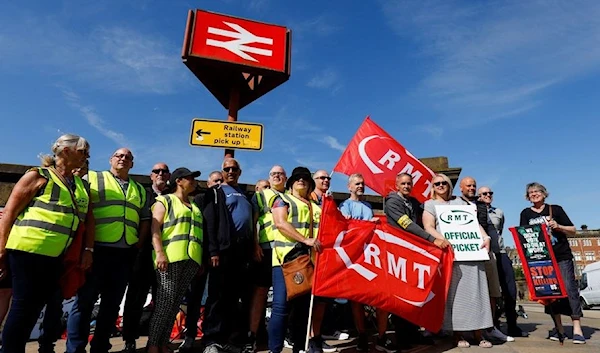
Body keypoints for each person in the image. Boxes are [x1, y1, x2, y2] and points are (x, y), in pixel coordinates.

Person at [0, 134, 92, 353]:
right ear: (65, 151)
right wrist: (1, 250)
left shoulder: (79, 184)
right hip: (27, 252)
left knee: (33, 311)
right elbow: (10, 213)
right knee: (22, 309)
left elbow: (86, 219)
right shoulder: (37, 175)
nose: (87, 156)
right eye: (82, 152)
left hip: (56, 257)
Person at [67, 148, 150, 353]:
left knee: (111, 306)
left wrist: (137, 244)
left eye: (128, 157)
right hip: (96, 250)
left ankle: (100, 346)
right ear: (111, 159)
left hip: (124, 254)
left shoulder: (139, 189)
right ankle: (75, 348)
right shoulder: (93, 177)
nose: (123, 158)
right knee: (84, 302)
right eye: (119, 155)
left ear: (132, 164)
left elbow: (145, 219)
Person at [422, 174, 493, 348]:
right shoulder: (430, 204)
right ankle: (458, 334)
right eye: (436, 183)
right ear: (433, 187)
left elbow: (474, 223)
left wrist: (486, 236)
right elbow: (428, 226)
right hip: (450, 255)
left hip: (471, 253)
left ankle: (479, 333)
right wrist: (442, 239)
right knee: (457, 295)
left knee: (478, 292)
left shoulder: (461, 203)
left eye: (444, 182)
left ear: (449, 185)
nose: (440, 185)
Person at [384, 173, 449, 349]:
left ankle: (414, 334)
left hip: (412, 254)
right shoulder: (392, 202)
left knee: (414, 295)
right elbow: (408, 225)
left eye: (409, 183)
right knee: (401, 298)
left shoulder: (413, 203)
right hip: (397, 254)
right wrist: (431, 238)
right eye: (403, 183)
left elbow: (428, 215)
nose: (406, 186)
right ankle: (403, 338)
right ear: (396, 185)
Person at [519, 182, 584, 344]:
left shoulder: (555, 209)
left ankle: (577, 327)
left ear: (544, 193)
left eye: (537, 191)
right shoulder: (526, 213)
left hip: (561, 255)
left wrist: (558, 226)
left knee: (569, 289)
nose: (534, 194)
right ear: (527, 197)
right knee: (550, 293)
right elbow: (523, 235)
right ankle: (559, 328)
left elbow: (573, 230)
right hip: (541, 259)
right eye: (531, 192)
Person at [148, 168, 204, 353]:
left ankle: (163, 343)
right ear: (179, 181)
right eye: (190, 178)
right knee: (165, 302)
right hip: (170, 258)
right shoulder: (165, 200)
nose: (194, 182)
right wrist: (160, 253)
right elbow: (155, 229)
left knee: (174, 304)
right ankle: (153, 344)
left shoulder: (194, 206)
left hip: (190, 260)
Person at [339, 173, 396, 353]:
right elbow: (347, 228)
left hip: (371, 257)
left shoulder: (368, 206)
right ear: (349, 187)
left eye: (362, 183)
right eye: (357, 184)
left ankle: (381, 335)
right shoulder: (345, 205)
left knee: (381, 298)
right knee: (357, 301)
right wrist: (367, 223)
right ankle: (362, 335)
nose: (360, 186)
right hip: (355, 258)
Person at [202, 159, 253, 353]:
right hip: (223, 250)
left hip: (242, 251)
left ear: (240, 172)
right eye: (227, 169)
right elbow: (210, 223)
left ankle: (228, 339)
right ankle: (211, 341)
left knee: (233, 298)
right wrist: (213, 251)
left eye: (234, 169)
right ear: (222, 172)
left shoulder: (244, 193)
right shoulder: (215, 192)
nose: (231, 171)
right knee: (216, 296)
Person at [268, 167, 322, 353]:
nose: (301, 180)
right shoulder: (281, 199)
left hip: (310, 263)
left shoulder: (317, 207)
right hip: (286, 261)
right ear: (290, 184)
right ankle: (274, 349)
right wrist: (304, 239)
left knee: (303, 311)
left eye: (306, 179)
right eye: (297, 178)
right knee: (281, 308)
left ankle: (299, 348)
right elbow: (280, 223)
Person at [122, 163, 171, 353]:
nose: (160, 173)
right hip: (142, 255)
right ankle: (129, 339)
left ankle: (157, 340)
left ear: (168, 176)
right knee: (135, 298)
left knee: (163, 300)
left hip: (166, 256)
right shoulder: (142, 194)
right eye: (156, 171)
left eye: (164, 171)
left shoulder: (173, 196)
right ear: (151, 175)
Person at [459, 177, 513, 343]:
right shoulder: (455, 204)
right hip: (464, 253)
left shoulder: (482, 206)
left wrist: (494, 249)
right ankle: (463, 330)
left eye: (474, 185)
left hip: (486, 252)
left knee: (492, 291)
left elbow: (492, 229)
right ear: (461, 188)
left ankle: (490, 327)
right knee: (465, 293)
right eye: (469, 185)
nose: (472, 188)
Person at [244, 166, 287, 353]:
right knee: (260, 293)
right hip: (266, 249)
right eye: (273, 174)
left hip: (286, 252)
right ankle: (252, 336)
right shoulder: (260, 196)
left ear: (285, 178)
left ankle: (283, 336)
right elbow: (253, 222)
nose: (276, 176)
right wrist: (255, 245)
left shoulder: (290, 196)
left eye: (280, 173)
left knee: (284, 296)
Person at [179, 171, 224, 352]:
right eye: (215, 181)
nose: (218, 183)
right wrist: (207, 254)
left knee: (215, 299)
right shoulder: (200, 199)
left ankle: (211, 338)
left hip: (222, 257)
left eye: (221, 181)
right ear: (208, 183)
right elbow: (205, 228)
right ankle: (190, 336)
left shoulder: (225, 198)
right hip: (202, 257)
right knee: (195, 299)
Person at [478, 186, 528, 338]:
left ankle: (512, 325)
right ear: (478, 196)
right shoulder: (474, 210)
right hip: (485, 254)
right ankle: (491, 324)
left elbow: (499, 230)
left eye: (490, 193)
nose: (488, 195)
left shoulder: (498, 212)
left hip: (501, 253)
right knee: (490, 291)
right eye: (484, 193)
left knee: (510, 290)